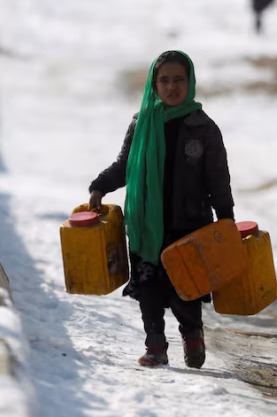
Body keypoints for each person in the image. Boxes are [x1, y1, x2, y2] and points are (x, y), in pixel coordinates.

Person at [88, 50, 235, 369]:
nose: (172, 87)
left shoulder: (204, 127)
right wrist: (99, 186)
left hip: (189, 225)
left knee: (186, 289)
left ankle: (192, 334)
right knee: (149, 289)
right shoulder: (141, 123)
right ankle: (155, 344)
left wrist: (226, 218)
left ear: (190, 82)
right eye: (164, 81)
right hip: (146, 225)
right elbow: (124, 165)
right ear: (154, 85)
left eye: (179, 80)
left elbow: (218, 179)